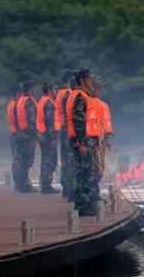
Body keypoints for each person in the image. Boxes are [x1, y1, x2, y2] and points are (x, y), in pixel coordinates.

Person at [66, 68, 100, 216]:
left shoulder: (79, 95)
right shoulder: (79, 96)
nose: (91, 81)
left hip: (84, 140)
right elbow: (79, 121)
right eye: (88, 79)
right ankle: (84, 206)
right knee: (86, 174)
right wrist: (82, 143)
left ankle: (84, 205)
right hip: (84, 141)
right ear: (82, 80)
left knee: (84, 173)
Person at [15, 81, 38, 193]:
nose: (35, 91)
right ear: (31, 89)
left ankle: (20, 184)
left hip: (21, 133)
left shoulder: (20, 100)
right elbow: (32, 120)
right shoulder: (29, 101)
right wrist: (35, 135)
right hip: (28, 135)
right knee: (27, 161)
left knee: (21, 160)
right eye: (34, 88)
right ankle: (24, 185)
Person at [36, 82, 59, 193]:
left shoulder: (42, 100)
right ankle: (46, 186)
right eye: (55, 89)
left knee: (45, 160)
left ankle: (44, 184)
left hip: (42, 135)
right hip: (48, 136)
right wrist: (53, 138)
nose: (56, 92)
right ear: (49, 90)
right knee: (49, 161)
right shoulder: (49, 103)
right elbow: (49, 122)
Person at [54, 70, 74, 200]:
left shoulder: (59, 93)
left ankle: (67, 188)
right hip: (67, 129)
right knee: (70, 161)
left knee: (65, 160)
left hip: (62, 128)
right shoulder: (67, 94)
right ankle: (69, 188)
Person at [6, 87, 21, 187]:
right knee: (18, 158)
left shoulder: (10, 104)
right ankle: (18, 180)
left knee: (15, 158)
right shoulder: (16, 105)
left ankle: (17, 180)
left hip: (13, 133)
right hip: (17, 133)